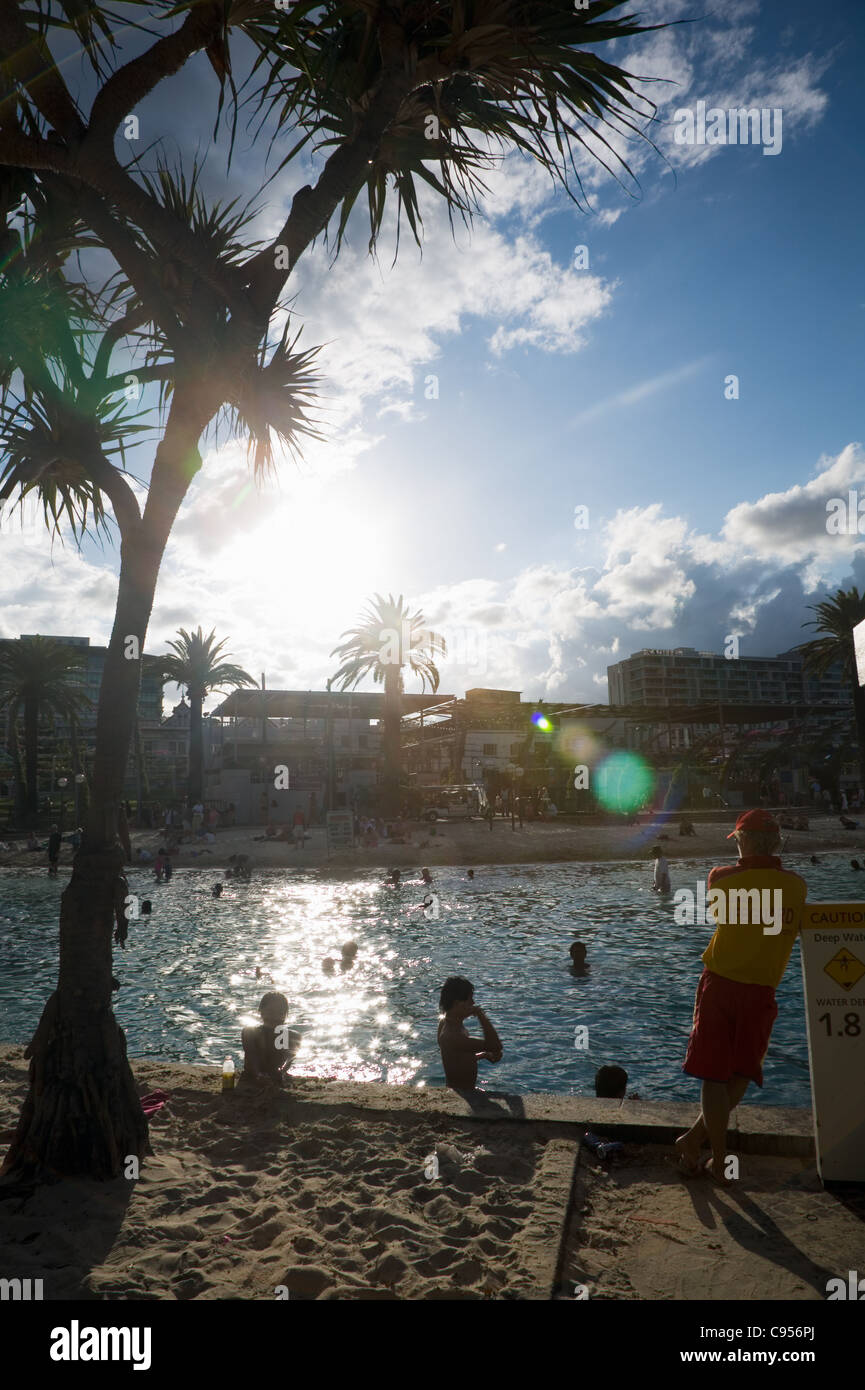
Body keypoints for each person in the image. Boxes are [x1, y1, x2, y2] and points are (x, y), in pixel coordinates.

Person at [676, 809, 807, 1182]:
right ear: (777, 842)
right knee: (742, 1071)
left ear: (743, 841)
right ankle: (711, 1155)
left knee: (715, 1075)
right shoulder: (797, 886)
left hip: (719, 983)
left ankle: (704, 1149)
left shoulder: (721, 878)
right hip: (761, 989)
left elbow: (727, 916)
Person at [437, 977, 503, 1089]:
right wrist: (481, 1015)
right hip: (464, 1092)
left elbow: (456, 1059)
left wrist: (483, 1055)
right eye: (470, 999)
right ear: (458, 1004)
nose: (473, 1003)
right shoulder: (452, 1035)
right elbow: (495, 1045)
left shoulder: (445, 1022)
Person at [241, 992, 299, 1085]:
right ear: (261, 1011)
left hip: (278, 1076)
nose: (275, 1017)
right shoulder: (250, 1032)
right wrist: (258, 1074)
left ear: (286, 1014)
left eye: (280, 1013)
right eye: (271, 1012)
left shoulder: (292, 1036)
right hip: (252, 1077)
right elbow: (252, 1056)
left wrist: (281, 1071)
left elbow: (288, 1058)